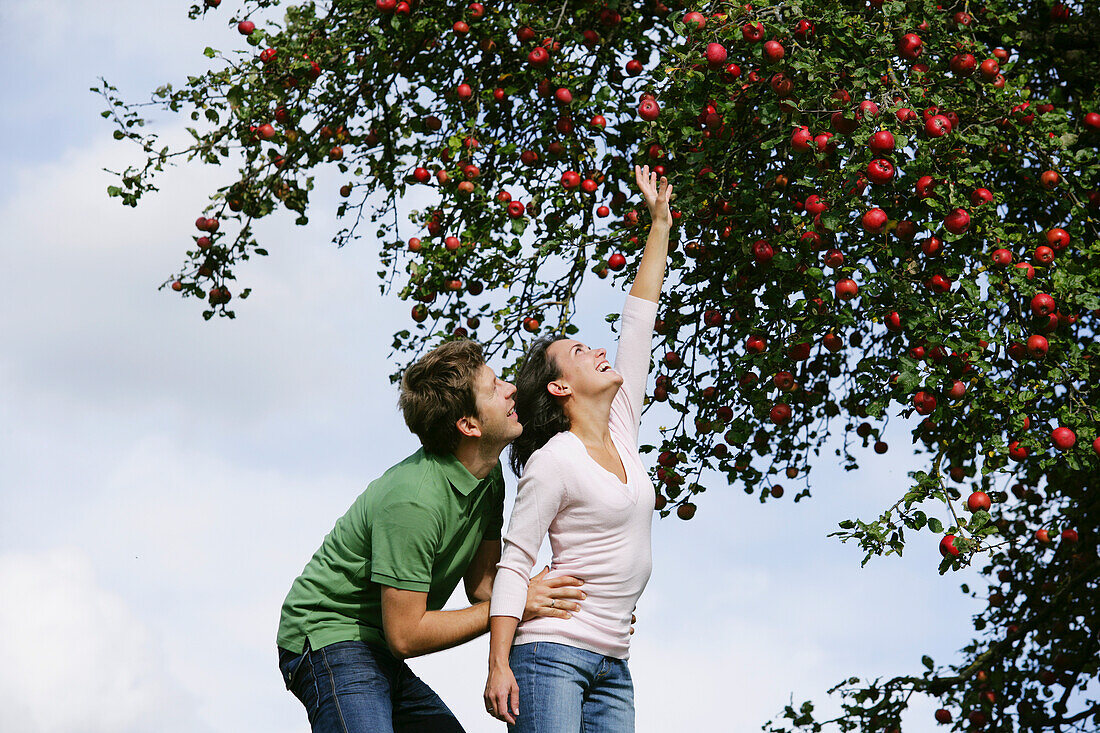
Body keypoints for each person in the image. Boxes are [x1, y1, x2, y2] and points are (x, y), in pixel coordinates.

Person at [277, 339, 586, 733]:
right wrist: (520, 601)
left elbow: (484, 589)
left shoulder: (489, 477)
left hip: (379, 644)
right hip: (327, 634)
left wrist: (575, 609)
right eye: (494, 387)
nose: (510, 389)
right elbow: (406, 636)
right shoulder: (415, 501)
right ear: (469, 426)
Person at [483, 165, 673, 732]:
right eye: (578, 349)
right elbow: (515, 563)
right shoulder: (553, 461)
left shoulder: (621, 429)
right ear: (559, 388)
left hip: (614, 662)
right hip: (550, 657)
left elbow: (638, 323)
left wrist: (658, 225)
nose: (596, 349)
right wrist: (497, 665)